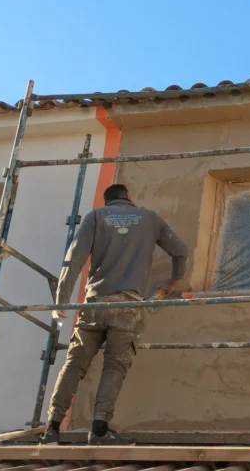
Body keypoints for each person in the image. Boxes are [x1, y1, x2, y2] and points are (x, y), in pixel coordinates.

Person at [41, 184, 188, 445]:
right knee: (114, 367)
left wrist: (61, 301)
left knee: (74, 364)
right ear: (128, 197)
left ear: (107, 200)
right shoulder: (150, 218)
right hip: (128, 306)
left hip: (94, 304)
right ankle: (98, 431)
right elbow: (181, 251)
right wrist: (173, 281)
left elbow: (73, 259)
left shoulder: (95, 217)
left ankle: (51, 428)